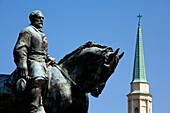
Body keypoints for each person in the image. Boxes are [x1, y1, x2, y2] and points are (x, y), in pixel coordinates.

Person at [13, 10, 55, 113]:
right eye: (39, 18)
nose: (41, 20)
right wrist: (22, 65)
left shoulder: (41, 33)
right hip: (33, 60)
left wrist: (50, 59)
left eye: (42, 18)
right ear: (32, 19)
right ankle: (34, 107)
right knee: (39, 78)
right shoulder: (27, 31)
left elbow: (44, 52)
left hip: (43, 61)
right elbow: (20, 49)